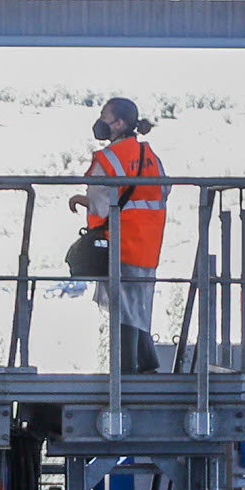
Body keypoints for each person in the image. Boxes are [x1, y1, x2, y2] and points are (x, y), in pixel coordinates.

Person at [77, 95, 169, 374]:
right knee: (136, 305)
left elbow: (98, 198)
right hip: (149, 242)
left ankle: (127, 372)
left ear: (118, 124)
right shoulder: (149, 156)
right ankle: (147, 363)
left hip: (120, 240)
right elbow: (160, 192)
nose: (100, 122)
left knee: (124, 307)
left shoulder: (108, 158)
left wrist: (82, 202)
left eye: (104, 116)